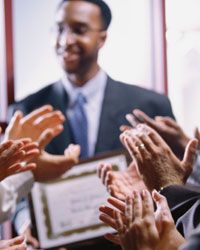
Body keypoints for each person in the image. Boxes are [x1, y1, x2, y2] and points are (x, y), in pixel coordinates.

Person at [8, 0, 176, 248]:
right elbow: (12, 181)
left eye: (79, 29)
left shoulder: (150, 106)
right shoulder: (25, 110)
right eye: (59, 28)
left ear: (102, 38)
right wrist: (26, 222)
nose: (64, 40)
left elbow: (171, 182)